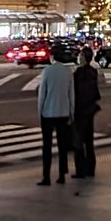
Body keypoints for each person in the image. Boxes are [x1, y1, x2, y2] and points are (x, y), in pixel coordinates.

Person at [36, 49, 75, 185]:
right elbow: (71, 94)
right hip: (63, 112)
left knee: (47, 145)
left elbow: (42, 94)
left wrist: (40, 110)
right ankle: (61, 175)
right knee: (62, 144)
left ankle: (46, 176)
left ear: (52, 57)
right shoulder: (68, 72)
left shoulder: (47, 71)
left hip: (48, 112)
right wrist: (71, 112)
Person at [72, 47, 101, 179]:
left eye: (80, 55)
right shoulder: (93, 72)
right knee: (89, 140)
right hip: (90, 109)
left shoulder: (79, 73)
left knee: (78, 140)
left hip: (80, 110)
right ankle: (91, 168)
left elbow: (76, 92)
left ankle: (81, 169)